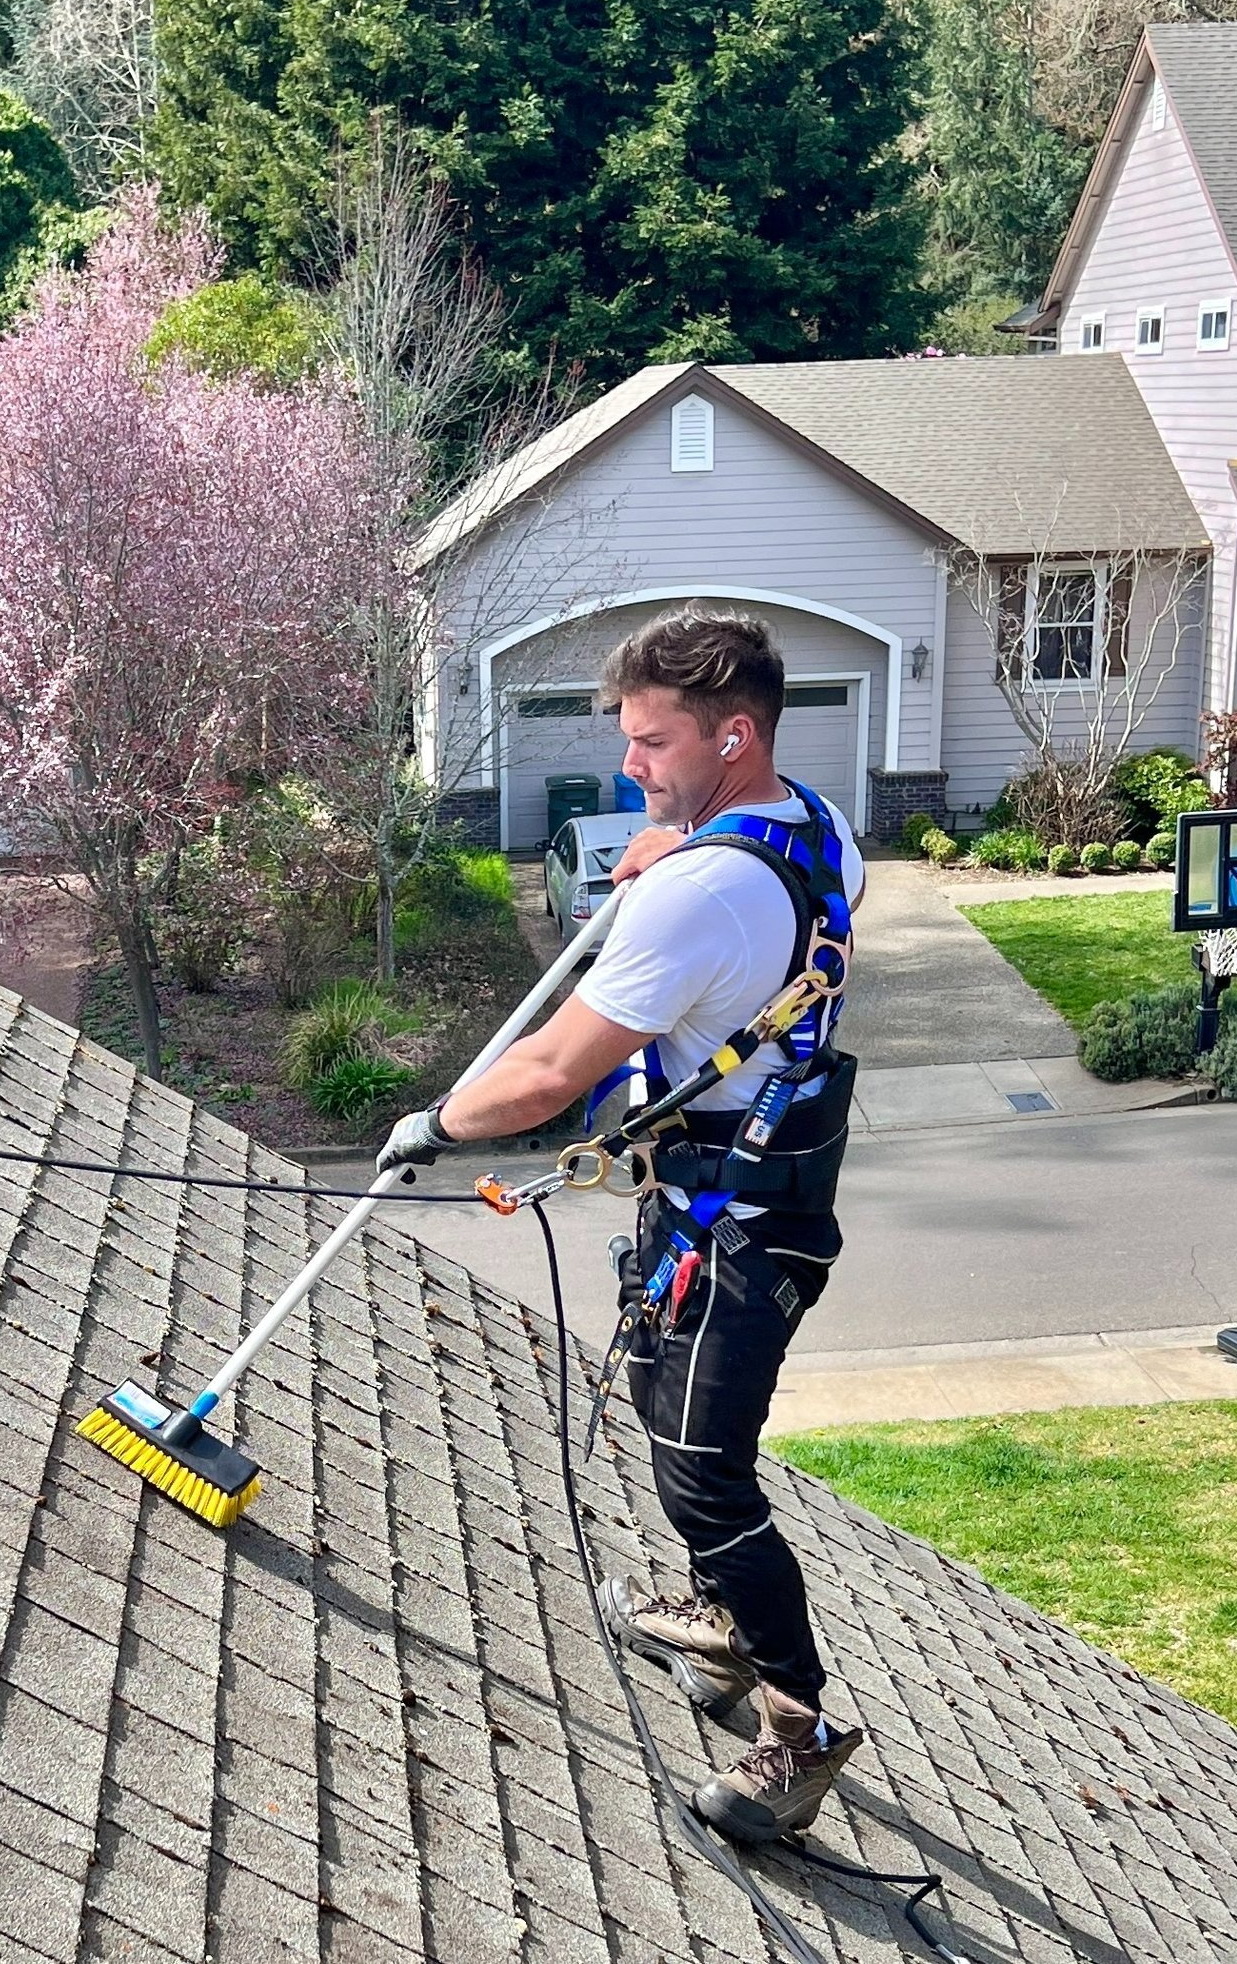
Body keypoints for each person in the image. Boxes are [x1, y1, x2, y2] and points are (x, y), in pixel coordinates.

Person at [376, 606, 867, 1842]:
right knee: (654, 1399)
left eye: (652, 744)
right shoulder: (809, 826)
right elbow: (739, 911)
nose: (630, 768)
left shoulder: (698, 897)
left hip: (741, 1225)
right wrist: (680, 841)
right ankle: (719, 1622)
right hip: (740, 1190)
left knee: (705, 1470)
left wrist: (438, 1122)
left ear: (734, 734)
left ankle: (795, 1735)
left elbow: (546, 1075)